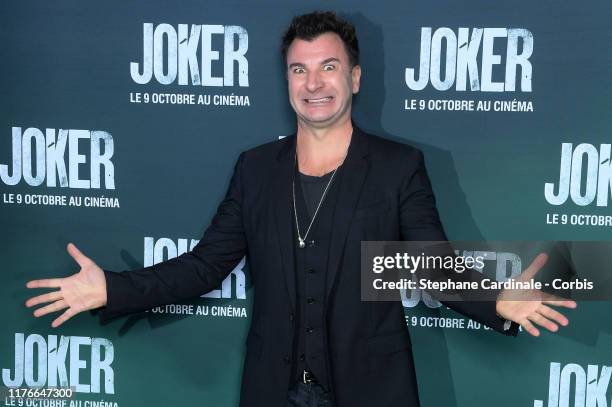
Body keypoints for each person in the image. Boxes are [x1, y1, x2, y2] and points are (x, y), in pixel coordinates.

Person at [25, 11, 576, 407]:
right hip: (274, 388)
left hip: (371, 388)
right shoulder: (256, 168)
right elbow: (205, 266)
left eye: (329, 67)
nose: (314, 83)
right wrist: (112, 289)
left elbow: (430, 264)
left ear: (354, 78)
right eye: (299, 69)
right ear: (287, 80)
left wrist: (496, 300)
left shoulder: (397, 167)